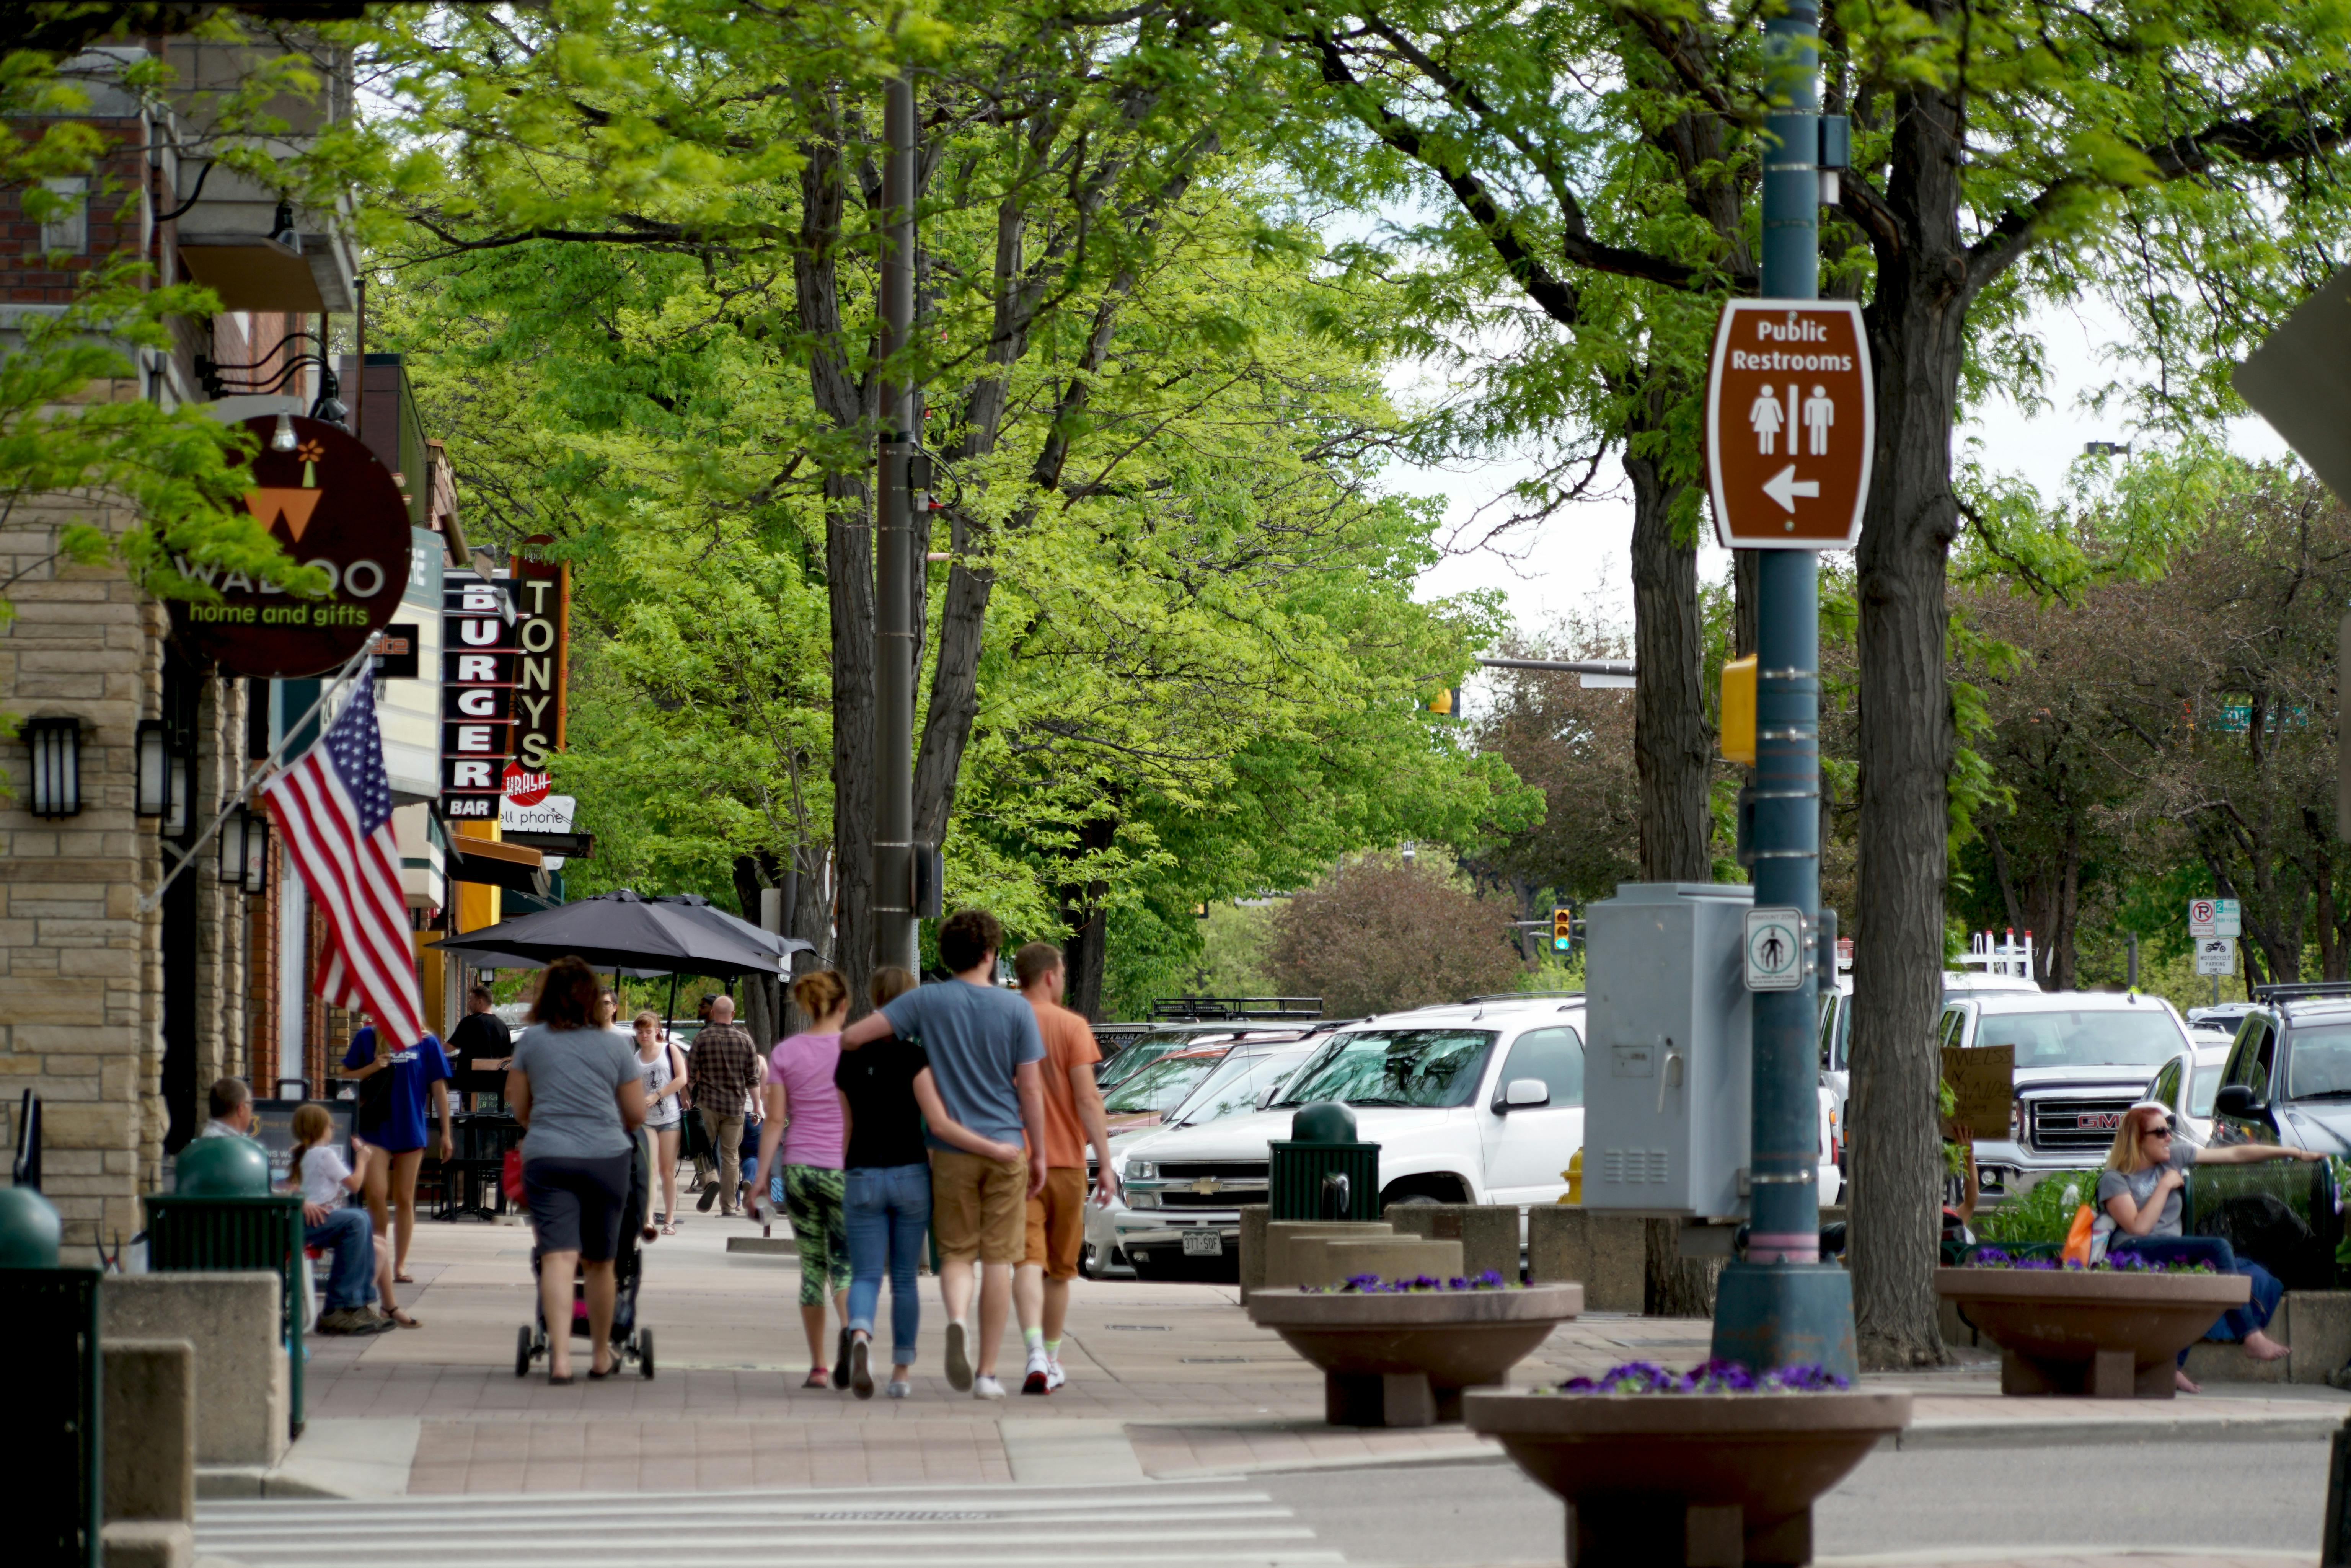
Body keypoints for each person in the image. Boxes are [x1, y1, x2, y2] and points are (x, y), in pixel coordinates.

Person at [840, 909, 1049, 1400]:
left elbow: (852, 1038)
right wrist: (1035, 1152)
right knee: (999, 1259)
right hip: (1005, 1147)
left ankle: (957, 1318)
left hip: (948, 1150)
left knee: (955, 1254)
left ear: (947, 954)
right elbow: (1032, 1090)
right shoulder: (1017, 1009)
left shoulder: (926, 1001)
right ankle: (987, 1374)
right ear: (991, 953)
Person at [2095, 1100, 2323, 1392]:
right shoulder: (2115, 1180)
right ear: (2138, 1140)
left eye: (2169, 1130)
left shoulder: (2172, 1157)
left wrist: (2294, 1152)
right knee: (2216, 1249)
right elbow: (2138, 1227)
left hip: (2169, 1252)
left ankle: (2172, 1367)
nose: (2169, 1137)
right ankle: (2251, 1336)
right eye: (2161, 1132)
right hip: (2133, 1253)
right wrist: (2165, 1186)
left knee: (2207, 1278)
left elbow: (2236, 1153)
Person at [508, 954, 648, 1383]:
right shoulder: (616, 1045)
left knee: (558, 1257)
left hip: (548, 1156)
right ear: (593, 998)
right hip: (607, 1158)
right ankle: (602, 1356)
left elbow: (519, 1108)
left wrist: (550, 1124)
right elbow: (637, 1114)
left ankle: (561, 1360)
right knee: (601, 1263)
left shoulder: (532, 1041)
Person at [1011, 942, 1118, 1395]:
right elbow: (1087, 1099)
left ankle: (1033, 1349)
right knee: (1060, 1269)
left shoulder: (1003, 1023)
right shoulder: (1072, 1027)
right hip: (1068, 1165)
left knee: (1025, 1261)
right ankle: (1052, 1357)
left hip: (1016, 1162)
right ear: (1051, 976)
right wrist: (1106, 1163)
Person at [760, 971, 854, 1388]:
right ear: (844, 1006)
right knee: (846, 1264)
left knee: (812, 1266)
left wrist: (761, 1177)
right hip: (844, 1168)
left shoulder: (786, 1053)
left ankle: (818, 1366)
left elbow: (776, 1119)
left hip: (799, 1168)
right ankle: (855, 1332)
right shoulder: (855, 1050)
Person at [341, 1014, 454, 1284]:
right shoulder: (367, 1037)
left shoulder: (425, 1042)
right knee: (377, 1194)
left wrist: (447, 1134)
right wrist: (372, 1067)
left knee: (405, 1198)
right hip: (375, 1128)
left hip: (410, 1126)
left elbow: (439, 1089)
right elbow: (345, 1077)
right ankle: (379, 1259)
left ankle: (400, 1266)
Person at [286, 1103, 415, 1330]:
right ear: (321, 1128)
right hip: (322, 1220)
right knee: (359, 1219)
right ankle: (348, 1305)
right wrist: (363, 1159)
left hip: (310, 1220)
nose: (333, 1128)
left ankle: (371, 1306)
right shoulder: (325, 1154)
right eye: (330, 1125)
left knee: (380, 1245)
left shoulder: (302, 1154)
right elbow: (356, 1185)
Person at [690, 996, 760, 1218]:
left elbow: (690, 1074)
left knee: (701, 1148)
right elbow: (753, 1079)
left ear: (713, 1013)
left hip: (708, 1104)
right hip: (735, 1107)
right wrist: (757, 1106)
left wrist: (687, 1097)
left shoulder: (701, 1038)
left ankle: (710, 1180)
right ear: (733, 1014)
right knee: (731, 1156)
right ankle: (729, 1206)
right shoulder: (745, 1041)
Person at [634, 1010, 688, 1234]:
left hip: (670, 1118)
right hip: (647, 1121)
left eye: (649, 1031)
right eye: (640, 1032)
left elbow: (682, 1079)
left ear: (657, 1031)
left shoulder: (669, 1049)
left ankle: (669, 1219)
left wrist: (658, 1095)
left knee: (667, 1170)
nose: (645, 1036)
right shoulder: (634, 1059)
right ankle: (648, 1218)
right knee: (650, 1170)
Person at [446, 984, 513, 1107]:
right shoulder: (503, 1026)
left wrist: (430, 1048)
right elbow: (507, 1058)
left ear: (480, 1002)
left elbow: (450, 1047)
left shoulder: (469, 1022)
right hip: (494, 1084)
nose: (469, 1004)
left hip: (470, 1083)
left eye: (471, 1000)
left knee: (469, 1117)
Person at [199, 1076, 259, 1141]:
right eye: (250, 1104)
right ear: (241, 1109)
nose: (252, 1110)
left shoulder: (213, 1137)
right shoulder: (220, 1142)